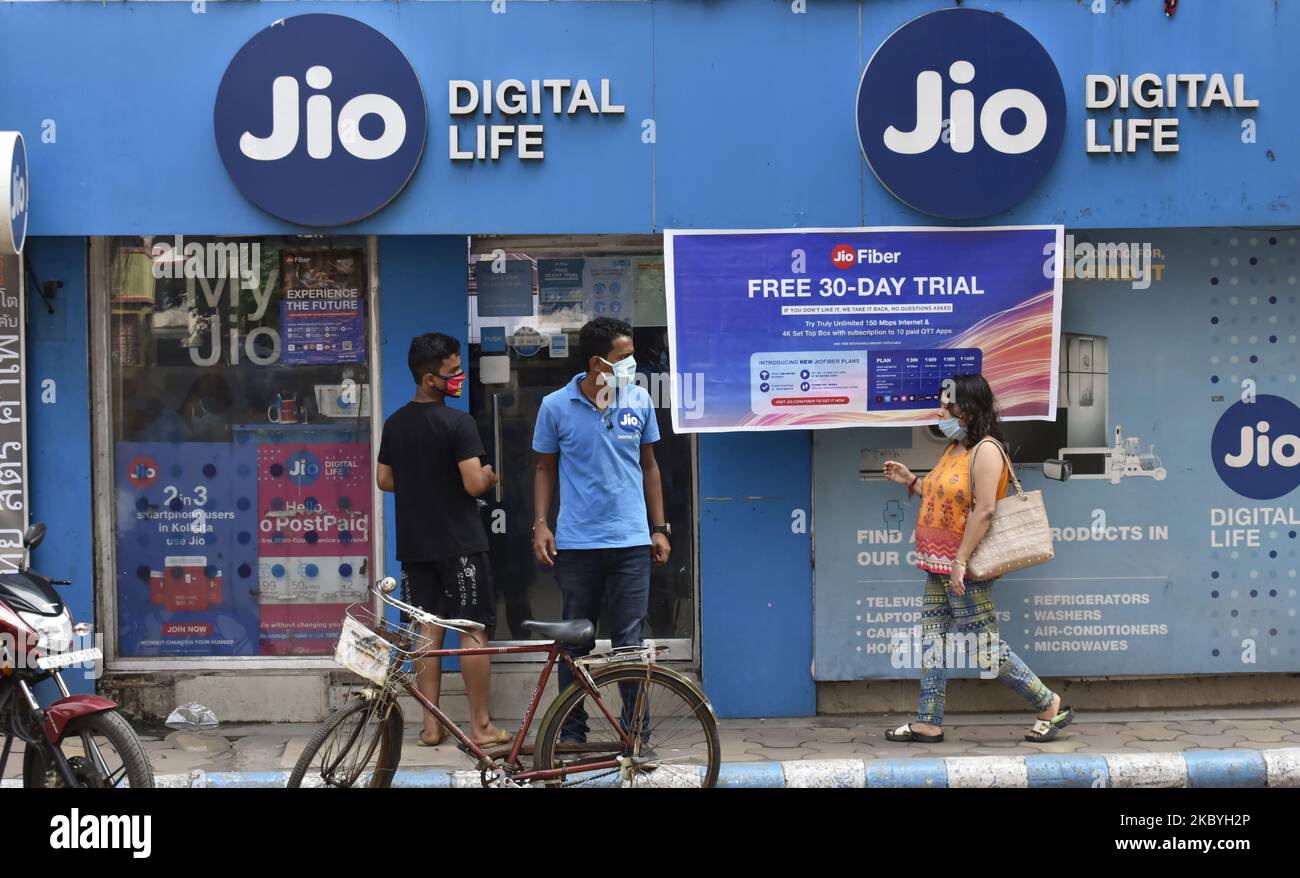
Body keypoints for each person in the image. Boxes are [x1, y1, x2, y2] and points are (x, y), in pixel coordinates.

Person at [881, 374, 1073, 744]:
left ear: (967, 409)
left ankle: (1049, 704)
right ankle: (928, 721)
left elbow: (984, 511)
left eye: (946, 405)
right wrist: (911, 481)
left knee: (985, 649)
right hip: (938, 566)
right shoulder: (955, 448)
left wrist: (960, 562)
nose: (940, 412)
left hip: (963, 569)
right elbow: (944, 500)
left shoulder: (986, 450)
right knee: (931, 643)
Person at [531, 317, 671, 741]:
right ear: (597, 362)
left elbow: (650, 467)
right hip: (578, 544)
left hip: (631, 543)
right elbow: (544, 468)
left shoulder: (640, 400)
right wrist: (541, 523)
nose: (632, 363)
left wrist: (659, 527)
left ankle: (636, 735)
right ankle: (571, 733)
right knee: (575, 641)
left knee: (630, 644)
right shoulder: (555, 405)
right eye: (624, 356)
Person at [376, 333, 509, 749]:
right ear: (430, 378)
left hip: (416, 546)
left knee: (425, 632)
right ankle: (481, 726)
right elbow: (473, 484)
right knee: (471, 631)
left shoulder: (395, 422)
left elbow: (384, 479)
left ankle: (431, 727)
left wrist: (421, 485)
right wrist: (489, 477)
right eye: (452, 372)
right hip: (460, 545)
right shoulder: (458, 423)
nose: (459, 378)